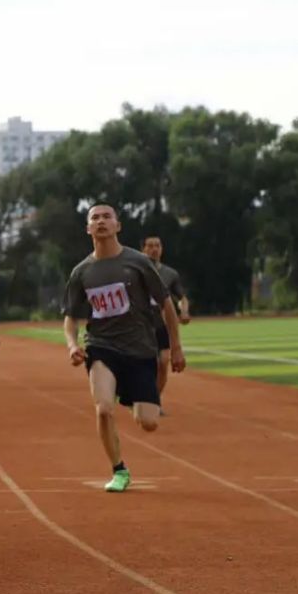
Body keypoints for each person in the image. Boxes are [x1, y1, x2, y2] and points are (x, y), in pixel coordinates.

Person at [62, 204, 186, 493]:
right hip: (101, 346)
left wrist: (176, 348)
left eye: (107, 217)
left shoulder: (138, 262)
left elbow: (166, 305)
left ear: (117, 225)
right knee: (104, 409)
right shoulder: (81, 272)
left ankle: (128, 394)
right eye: (95, 218)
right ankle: (119, 469)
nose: (101, 221)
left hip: (140, 349)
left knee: (149, 422)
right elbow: (71, 318)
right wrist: (72, 345)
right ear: (88, 228)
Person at [140, 236, 191, 404]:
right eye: (150, 246)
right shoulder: (135, 272)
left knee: (163, 363)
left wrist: (184, 311)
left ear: (161, 249)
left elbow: (182, 297)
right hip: (142, 326)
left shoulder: (170, 274)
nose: (154, 249)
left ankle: (154, 400)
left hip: (162, 326)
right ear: (143, 249)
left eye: (157, 246)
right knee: (149, 363)